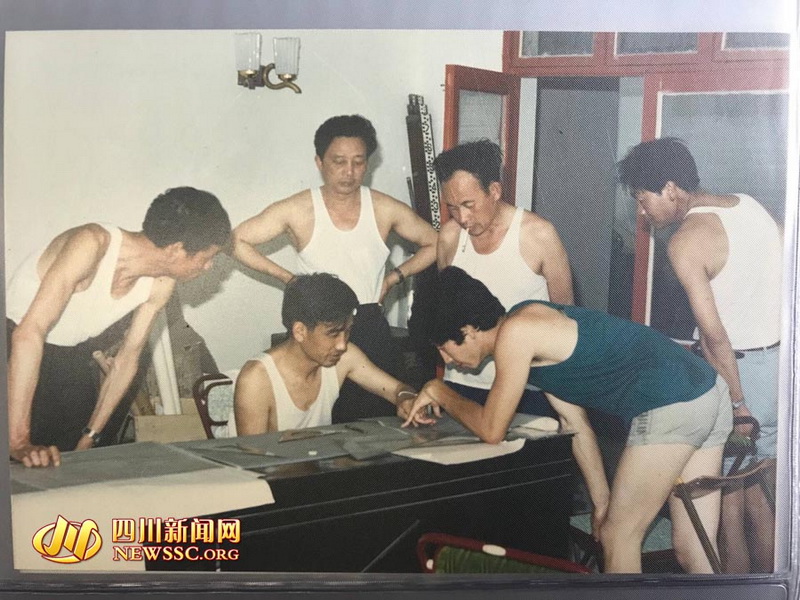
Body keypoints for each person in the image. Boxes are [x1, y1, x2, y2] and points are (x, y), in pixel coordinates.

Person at [402, 267, 731, 574]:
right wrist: (600, 502)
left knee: (619, 536)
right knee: (693, 549)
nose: (446, 359)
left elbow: (492, 429)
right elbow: (574, 423)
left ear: (469, 330)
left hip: (672, 399)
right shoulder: (528, 322)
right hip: (708, 391)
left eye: (443, 347)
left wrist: (439, 390)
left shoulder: (517, 333)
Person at [618, 137, 782, 573]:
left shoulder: (686, 241)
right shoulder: (750, 205)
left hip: (739, 377)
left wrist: (737, 402)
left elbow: (715, 336)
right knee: (763, 499)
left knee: (725, 511)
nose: (642, 212)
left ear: (671, 189)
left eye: (643, 198)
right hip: (778, 370)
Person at [7, 187, 231, 468]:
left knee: (67, 466)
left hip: (67, 360)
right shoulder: (91, 244)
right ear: (176, 249)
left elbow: (127, 359)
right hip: (14, 345)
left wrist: (89, 437)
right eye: (207, 257)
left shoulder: (161, 284)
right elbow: (28, 333)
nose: (209, 267)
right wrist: (17, 440)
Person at [233, 114, 437, 422]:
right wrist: (289, 279)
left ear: (367, 163)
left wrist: (393, 278)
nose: (349, 172)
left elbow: (435, 242)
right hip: (318, 330)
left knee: (378, 424)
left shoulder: (383, 208)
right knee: (312, 423)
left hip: (367, 325)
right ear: (319, 162)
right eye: (338, 162)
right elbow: (237, 240)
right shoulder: (298, 208)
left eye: (358, 162)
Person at [432, 140, 573, 416]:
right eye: (452, 207)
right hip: (462, 383)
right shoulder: (449, 237)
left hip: (528, 388)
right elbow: (445, 314)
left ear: (494, 191)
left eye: (469, 205)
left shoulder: (538, 234)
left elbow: (566, 318)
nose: (462, 217)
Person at [234, 273, 421, 434]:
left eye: (348, 331)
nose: (342, 344)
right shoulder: (257, 378)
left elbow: (397, 389)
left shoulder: (344, 357)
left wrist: (406, 398)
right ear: (300, 331)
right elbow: (252, 459)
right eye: (333, 333)